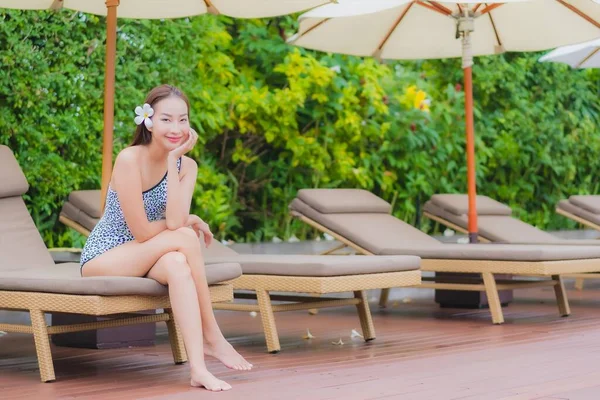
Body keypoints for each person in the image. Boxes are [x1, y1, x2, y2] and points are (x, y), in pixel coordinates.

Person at [80, 84, 251, 392]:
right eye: (166, 119)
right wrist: (187, 222)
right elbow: (143, 231)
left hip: (151, 253)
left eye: (183, 120)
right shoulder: (129, 159)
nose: (176, 128)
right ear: (148, 121)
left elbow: (172, 220)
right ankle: (214, 335)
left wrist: (174, 162)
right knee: (185, 237)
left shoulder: (187, 166)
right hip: (107, 254)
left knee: (177, 265)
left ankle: (198, 368)